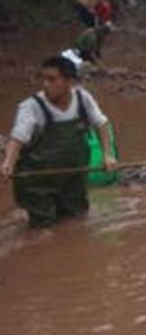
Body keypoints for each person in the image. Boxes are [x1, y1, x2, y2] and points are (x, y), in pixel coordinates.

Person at [0, 57, 116, 228]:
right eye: (43, 79)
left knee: (77, 219)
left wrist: (108, 155)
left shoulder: (83, 99)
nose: (45, 84)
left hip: (73, 175)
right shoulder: (31, 107)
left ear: (69, 81)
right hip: (38, 183)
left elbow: (102, 124)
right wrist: (8, 164)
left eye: (52, 79)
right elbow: (17, 139)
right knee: (43, 227)